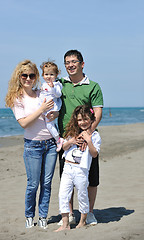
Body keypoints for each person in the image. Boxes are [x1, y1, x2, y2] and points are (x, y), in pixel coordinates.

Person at [5, 60, 58, 229]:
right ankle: (29, 215)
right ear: (19, 77)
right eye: (24, 75)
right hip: (32, 146)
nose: (28, 78)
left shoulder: (41, 93)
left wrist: (55, 112)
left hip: (50, 144)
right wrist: (41, 110)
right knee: (33, 184)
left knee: (47, 183)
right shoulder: (17, 98)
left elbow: (55, 105)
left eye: (32, 75)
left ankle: (43, 216)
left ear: (36, 77)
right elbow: (24, 123)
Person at [58, 49, 103, 225]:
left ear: (82, 64)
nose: (70, 65)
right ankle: (69, 214)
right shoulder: (60, 84)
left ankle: (89, 212)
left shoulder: (93, 86)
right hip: (67, 140)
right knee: (66, 180)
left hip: (88, 138)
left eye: (74, 62)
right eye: (67, 62)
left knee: (91, 179)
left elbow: (97, 114)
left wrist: (86, 136)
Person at [55, 105, 101, 232]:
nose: (83, 122)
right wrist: (72, 141)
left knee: (82, 195)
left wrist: (88, 140)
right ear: (76, 121)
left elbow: (94, 154)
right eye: (80, 120)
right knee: (63, 194)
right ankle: (65, 224)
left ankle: (82, 221)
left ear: (91, 120)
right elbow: (63, 147)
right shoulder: (71, 133)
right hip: (67, 168)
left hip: (81, 170)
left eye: (86, 119)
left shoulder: (95, 135)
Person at [40, 61, 63, 152]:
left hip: (52, 107)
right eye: (46, 74)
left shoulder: (57, 84)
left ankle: (58, 139)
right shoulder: (43, 84)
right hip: (45, 107)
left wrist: (53, 88)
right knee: (50, 124)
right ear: (43, 75)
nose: (49, 77)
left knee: (49, 125)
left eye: (51, 74)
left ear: (56, 75)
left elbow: (58, 94)